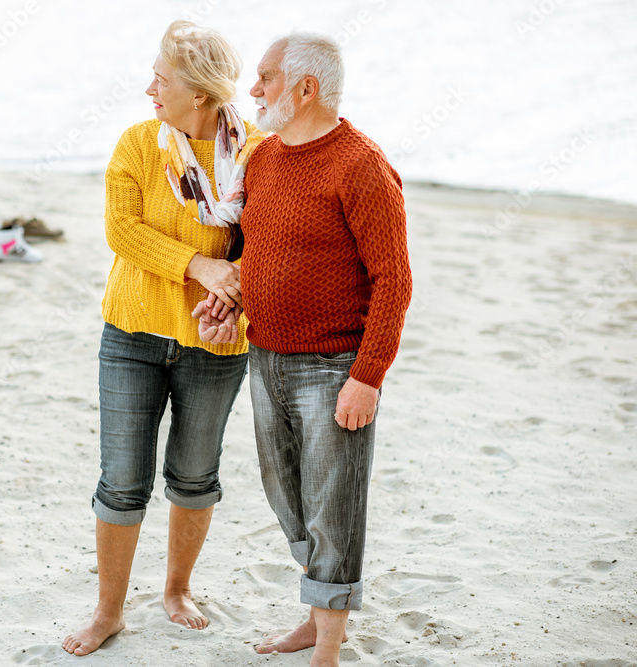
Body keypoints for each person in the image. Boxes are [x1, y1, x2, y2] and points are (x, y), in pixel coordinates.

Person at [195, 32, 412, 667]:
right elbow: (250, 250)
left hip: (334, 367)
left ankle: (328, 646)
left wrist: (367, 376)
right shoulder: (262, 160)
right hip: (264, 357)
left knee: (333, 502)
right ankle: (318, 618)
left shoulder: (362, 166)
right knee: (286, 494)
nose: (253, 90)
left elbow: (393, 281)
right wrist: (229, 300)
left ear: (306, 88)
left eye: (265, 78)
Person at [61, 20, 263, 657]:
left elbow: (265, 242)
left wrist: (234, 294)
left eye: (162, 78)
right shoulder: (137, 145)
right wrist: (198, 266)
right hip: (132, 335)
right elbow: (123, 232)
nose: (150, 87)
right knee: (121, 480)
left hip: (218, 340)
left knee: (195, 477)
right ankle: (109, 612)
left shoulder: (257, 154)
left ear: (198, 95)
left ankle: (177, 591)